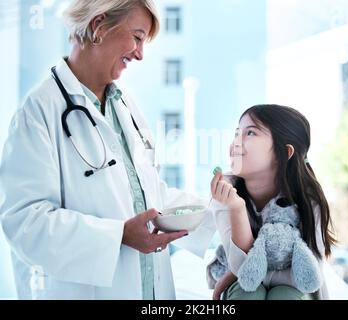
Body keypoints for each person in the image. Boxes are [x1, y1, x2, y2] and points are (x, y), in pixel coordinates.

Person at [0, 0, 214, 300]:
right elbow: (25, 221)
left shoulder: (125, 106)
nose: (140, 54)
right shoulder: (39, 112)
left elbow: (148, 196)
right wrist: (118, 236)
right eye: (137, 37)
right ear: (98, 26)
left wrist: (219, 213)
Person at [207, 104, 336, 300]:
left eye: (250, 133)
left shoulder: (309, 200)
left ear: (284, 153)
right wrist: (237, 209)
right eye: (236, 133)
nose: (235, 143)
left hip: (296, 291)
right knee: (248, 293)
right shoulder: (225, 193)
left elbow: (307, 276)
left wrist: (234, 275)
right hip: (245, 288)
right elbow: (243, 270)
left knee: (285, 295)